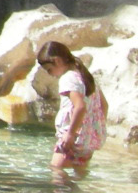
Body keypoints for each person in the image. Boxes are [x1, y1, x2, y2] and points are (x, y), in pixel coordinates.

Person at [38, 40, 106, 175]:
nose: (50, 74)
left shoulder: (68, 79)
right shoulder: (86, 76)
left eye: (49, 70)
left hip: (73, 139)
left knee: (56, 170)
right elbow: (104, 105)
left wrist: (70, 134)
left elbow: (80, 106)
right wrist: (94, 129)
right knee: (79, 174)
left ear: (57, 61)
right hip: (87, 141)